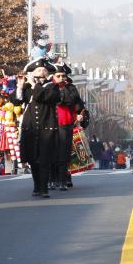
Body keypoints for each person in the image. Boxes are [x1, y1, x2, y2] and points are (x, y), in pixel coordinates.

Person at [12, 58, 60, 198]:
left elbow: (43, 97)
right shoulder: (28, 87)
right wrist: (20, 86)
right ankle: (37, 186)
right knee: (33, 160)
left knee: (45, 160)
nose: (41, 73)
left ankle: (44, 188)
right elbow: (17, 101)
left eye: (44, 71)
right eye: (38, 71)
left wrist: (34, 85)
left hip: (47, 127)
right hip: (30, 128)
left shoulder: (52, 87)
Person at [49, 62, 88, 190]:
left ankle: (63, 179)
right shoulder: (48, 87)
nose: (61, 78)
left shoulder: (70, 88)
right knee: (50, 154)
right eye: (58, 76)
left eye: (63, 76)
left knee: (64, 154)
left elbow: (75, 102)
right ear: (53, 76)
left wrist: (79, 114)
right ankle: (52, 179)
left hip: (65, 125)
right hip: (49, 124)